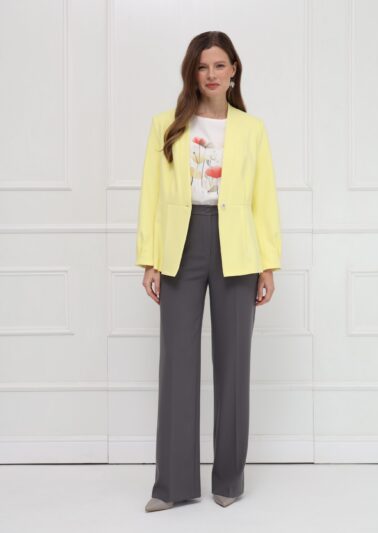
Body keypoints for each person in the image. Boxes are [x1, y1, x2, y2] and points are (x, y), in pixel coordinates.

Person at [135, 31, 282, 512]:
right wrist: (150, 259)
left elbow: (264, 199)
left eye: (220, 65)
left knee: (234, 363)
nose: (212, 74)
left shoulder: (252, 129)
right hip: (181, 244)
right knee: (177, 363)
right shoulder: (166, 124)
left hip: (238, 247)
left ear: (234, 70)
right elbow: (151, 194)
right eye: (203, 67)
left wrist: (268, 264)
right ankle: (173, 485)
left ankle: (229, 480)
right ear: (192, 73)